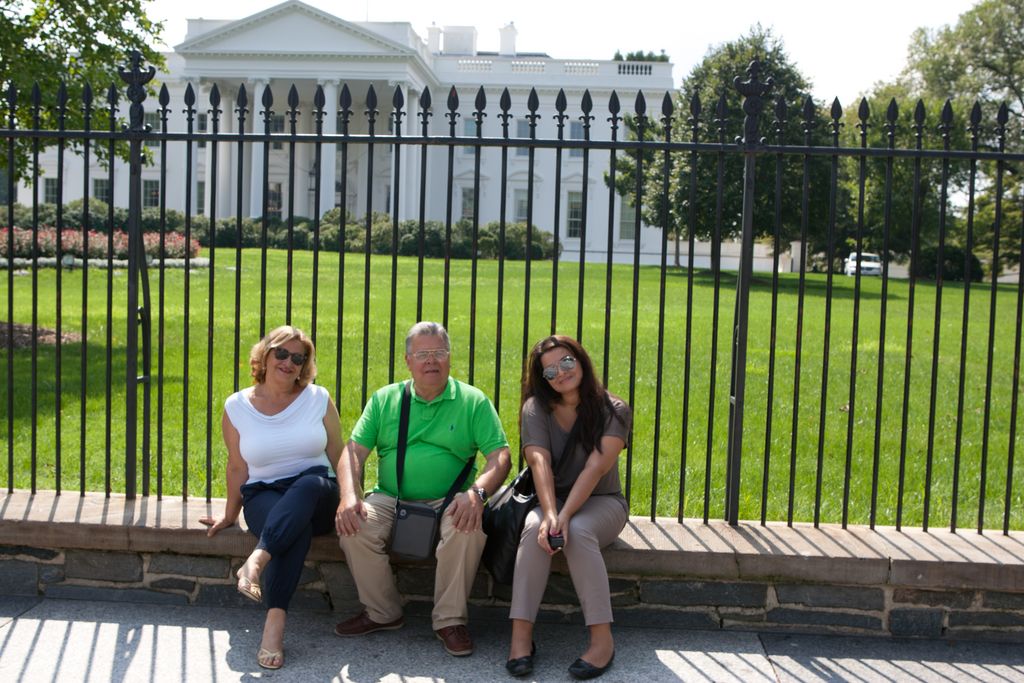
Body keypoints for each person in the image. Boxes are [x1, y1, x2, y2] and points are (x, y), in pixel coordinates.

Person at [334, 321, 511, 657]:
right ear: (408, 361)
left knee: (467, 526)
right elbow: (353, 452)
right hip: (390, 496)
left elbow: (500, 456)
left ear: (450, 357)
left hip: (452, 499)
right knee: (354, 525)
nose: (431, 361)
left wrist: (476, 493)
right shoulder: (385, 399)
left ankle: (449, 621)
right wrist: (349, 495)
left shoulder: (473, 401)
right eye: (422, 354)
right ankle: (383, 612)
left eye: (439, 352)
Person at [200, 325, 342, 670]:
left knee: (307, 486)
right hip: (265, 494)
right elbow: (237, 466)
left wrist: (352, 499)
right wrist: (230, 514)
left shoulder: (318, 398)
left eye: (298, 358)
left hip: (317, 492)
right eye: (281, 353)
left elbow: (339, 454)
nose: (289, 362)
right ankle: (274, 623)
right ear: (264, 355)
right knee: (294, 528)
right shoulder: (237, 406)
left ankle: (257, 559)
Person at [505, 335, 631, 680]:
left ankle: (602, 641)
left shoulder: (614, 409)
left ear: (580, 360)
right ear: (543, 380)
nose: (560, 373)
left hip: (602, 501)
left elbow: (596, 468)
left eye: (566, 362)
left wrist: (563, 516)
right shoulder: (535, 408)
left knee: (577, 530)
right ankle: (520, 638)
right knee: (535, 529)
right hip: (552, 500)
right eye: (550, 371)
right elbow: (539, 463)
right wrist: (550, 514)